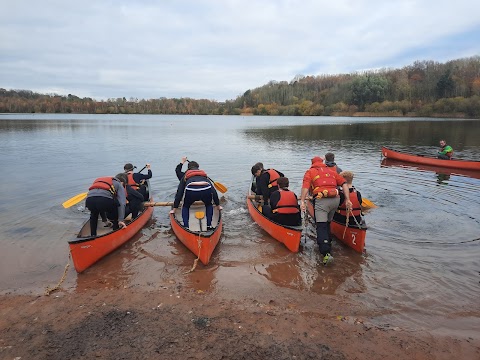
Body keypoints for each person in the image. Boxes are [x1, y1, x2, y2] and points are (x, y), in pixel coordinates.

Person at [300, 156, 352, 265]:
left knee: (321, 226)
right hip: (335, 200)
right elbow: (344, 184)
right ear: (323, 162)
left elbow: (305, 187)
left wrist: (303, 201)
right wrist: (347, 199)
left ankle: (326, 253)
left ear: (312, 163)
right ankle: (329, 242)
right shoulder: (331, 171)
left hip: (322, 201)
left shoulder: (310, 172)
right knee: (328, 223)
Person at [173, 161, 220, 230]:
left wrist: (175, 207)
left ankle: (186, 227)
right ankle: (209, 226)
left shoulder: (185, 176)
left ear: (188, 168)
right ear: (198, 167)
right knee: (209, 204)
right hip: (205, 189)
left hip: (191, 191)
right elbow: (213, 191)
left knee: (185, 206)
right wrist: (217, 204)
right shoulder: (204, 176)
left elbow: (179, 193)